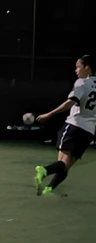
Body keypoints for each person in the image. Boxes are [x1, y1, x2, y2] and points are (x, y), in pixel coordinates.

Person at [32, 53, 95, 196]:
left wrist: (50, 114)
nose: (76, 70)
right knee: (66, 166)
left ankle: (45, 170)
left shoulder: (82, 83)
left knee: (62, 162)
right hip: (89, 132)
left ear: (87, 67)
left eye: (78, 67)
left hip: (74, 125)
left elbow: (70, 102)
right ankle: (49, 189)